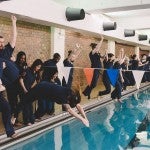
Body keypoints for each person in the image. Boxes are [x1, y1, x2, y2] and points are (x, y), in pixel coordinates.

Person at [24, 81, 89, 127]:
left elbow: (78, 106)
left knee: (27, 101)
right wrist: (82, 119)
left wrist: (85, 118)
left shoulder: (72, 96)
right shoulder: (64, 96)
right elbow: (70, 111)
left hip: (46, 92)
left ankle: (24, 117)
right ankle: (17, 117)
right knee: (26, 101)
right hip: (42, 88)